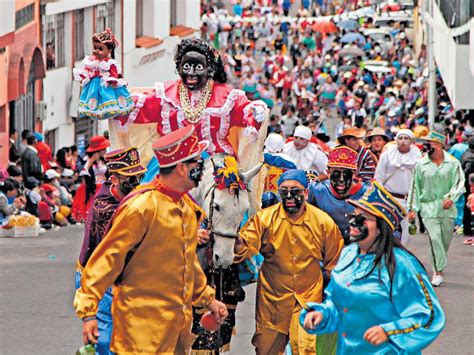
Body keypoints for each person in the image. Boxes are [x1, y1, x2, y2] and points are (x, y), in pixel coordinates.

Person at [74, 125, 228, 353]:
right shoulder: (141, 207)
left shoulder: (185, 208)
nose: (202, 168)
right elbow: (106, 259)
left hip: (175, 331)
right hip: (140, 334)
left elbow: (186, 264)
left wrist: (208, 300)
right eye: (197, 162)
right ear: (182, 169)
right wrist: (88, 312)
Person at [301, 181, 446, 354]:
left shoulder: (402, 265)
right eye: (353, 216)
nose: (354, 222)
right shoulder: (348, 255)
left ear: (380, 229)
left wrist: (390, 331)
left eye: (363, 218)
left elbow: (429, 316)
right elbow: (338, 303)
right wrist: (322, 315)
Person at [112, 38, 267, 181]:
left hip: (216, 161)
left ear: (210, 69)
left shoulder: (227, 97)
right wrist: (113, 97)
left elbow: (246, 111)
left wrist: (256, 111)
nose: (191, 73)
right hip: (171, 161)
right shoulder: (165, 95)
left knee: (229, 202)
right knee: (146, 199)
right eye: (186, 67)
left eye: (198, 67)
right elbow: (136, 108)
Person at [234, 169, 344, 354]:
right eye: (284, 192)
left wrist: (336, 300)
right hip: (272, 300)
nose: (290, 196)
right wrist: (233, 239)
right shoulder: (264, 219)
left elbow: (336, 264)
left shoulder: (323, 222)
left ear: (306, 193)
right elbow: (246, 245)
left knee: (306, 348)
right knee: (265, 349)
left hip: (307, 299)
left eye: (296, 191)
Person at [75, 147, 147, 355]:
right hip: (100, 278)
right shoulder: (105, 209)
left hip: (118, 275)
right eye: (131, 177)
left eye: (139, 175)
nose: (137, 181)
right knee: (107, 341)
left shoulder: (127, 197)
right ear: (115, 180)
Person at [408, 131, 465, 286]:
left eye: (431, 143)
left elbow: (460, 183)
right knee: (434, 238)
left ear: (439, 145)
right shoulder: (421, 164)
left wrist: (451, 198)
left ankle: (439, 264)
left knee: (444, 241)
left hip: (447, 209)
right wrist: (412, 209)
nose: (428, 146)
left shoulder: (453, 163)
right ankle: (437, 272)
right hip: (428, 208)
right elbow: (415, 187)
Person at [308, 146, 368, 245]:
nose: (341, 179)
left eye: (346, 173)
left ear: (354, 173)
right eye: (336, 173)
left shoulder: (368, 194)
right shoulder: (317, 191)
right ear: (328, 173)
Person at [73, 28, 135, 120]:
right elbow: (87, 69)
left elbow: (114, 74)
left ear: (109, 50)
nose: (96, 51)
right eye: (95, 48)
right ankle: (94, 110)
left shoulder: (110, 63)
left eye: (100, 49)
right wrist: (85, 75)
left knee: (107, 98)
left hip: (105, 84)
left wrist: (112, 80)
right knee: (93, 98)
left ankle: (110, 109)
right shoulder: (91, 60)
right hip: (93, 85)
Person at [375, 129, 421, 245]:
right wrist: (381, 198)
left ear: (411, 141)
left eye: (406, 139)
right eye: (400, 138)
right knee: (386, 230)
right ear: (396, 140)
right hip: (389, 198)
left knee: (406, 234)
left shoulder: (417, 157)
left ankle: (401, 257)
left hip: (407, 200)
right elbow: (379, 178)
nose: (403, 141)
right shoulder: (387, 155)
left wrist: (414, 206)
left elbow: (419, 182)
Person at [71, 135, 110, 222]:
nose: (105, 151)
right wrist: (91, 160)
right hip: (92, 189)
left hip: (104, 187)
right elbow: (83, 172)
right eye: (103, 149)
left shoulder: (104, 159)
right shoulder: (86, 159)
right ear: (98, 150)